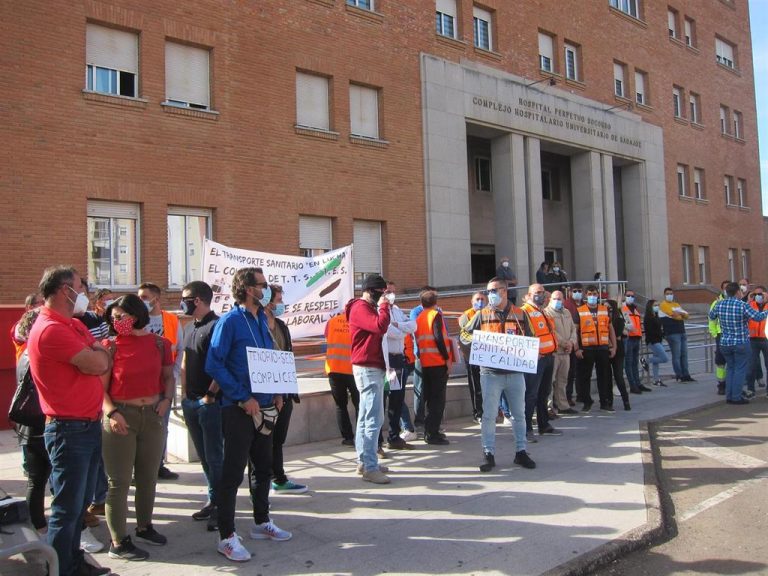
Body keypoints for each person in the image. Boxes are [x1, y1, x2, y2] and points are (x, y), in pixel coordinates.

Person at [27, 265, 112, 576]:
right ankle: (62, 569)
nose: (85, 293)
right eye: (82, 287)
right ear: (66, 290)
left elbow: (101, 356)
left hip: (87, 425)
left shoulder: (72, 325)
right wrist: (98, 354)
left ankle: (74, 562)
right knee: (67, 508)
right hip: (69, 429)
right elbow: (96, 362)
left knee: (80, 506)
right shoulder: (52, 328)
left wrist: (98, 354)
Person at [205, 267, 291, 563]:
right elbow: (215, 365)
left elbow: (270, 359)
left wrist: (278, 391)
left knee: (263, 467)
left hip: (266, 406)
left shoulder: (262, 322)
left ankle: (261, 521)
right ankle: (227, 536)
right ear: (247, 288)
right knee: (233, 473)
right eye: (261, 285)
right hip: (239, 409)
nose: (266, 289)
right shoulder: (229, 322)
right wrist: (243, 398)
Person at [99, 294, 174, 561]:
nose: (117, 321)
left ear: (137, 315)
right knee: (118, 482)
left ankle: (144, 527)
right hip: (120, 418)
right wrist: (113, 413)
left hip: (152, 416)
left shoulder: (159, 344)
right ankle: (118, 541)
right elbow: (100, 388)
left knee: (147, 477)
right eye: (114, 318)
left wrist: (166, 400)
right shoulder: (109, 346)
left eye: (122, 317)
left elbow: (168, 376)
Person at [461, 277, 535, 472]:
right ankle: (488, 453)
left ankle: (521, 451)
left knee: (519, 415)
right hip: (490, 374)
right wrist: (478, 342)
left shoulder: (520, 314)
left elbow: (531, 338)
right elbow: (464, 334)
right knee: (489, 415)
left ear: (504, 291)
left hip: (515, 373)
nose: (489, 295)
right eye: (488, 292)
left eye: (493, 290)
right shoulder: (482, 314)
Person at [179, 281, 222, 532]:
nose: (181, 302)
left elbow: (221, 363)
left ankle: (222, 505)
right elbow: (186, 361)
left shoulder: (216, 326)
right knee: (205, 458)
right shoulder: (189, 327)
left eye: (185, 298)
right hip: (191, 402)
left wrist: (210, 395)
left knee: (216, 457)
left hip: (210, 403)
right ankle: (212, 499)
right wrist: (185, 395)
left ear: (197, 300)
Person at [346, 274, 391, 484]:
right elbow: (379, 326)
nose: (385, 296)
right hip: (367, 367)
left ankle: (364, 461)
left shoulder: (366, 308)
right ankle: (370, 467)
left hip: (371, 367)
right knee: (373, 419)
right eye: (382, 292)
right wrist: (384, 307)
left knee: (367, 418)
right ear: (372, 291)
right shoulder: (361, 308)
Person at [263, 284, 307, 494]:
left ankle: (278, 477)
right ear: (268, 302)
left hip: (285, 389)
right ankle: (269, 479)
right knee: (264, 439)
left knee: (278, 438)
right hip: (264, 391)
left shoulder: (281, 325)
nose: (281, 304)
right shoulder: (256, 324)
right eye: (278, 301)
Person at [137, 282, 183, 480]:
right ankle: (138, 466)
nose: (141, 301)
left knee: (162, 425)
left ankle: (158, 464)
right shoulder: (137, 320)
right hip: (142, 383)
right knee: (140, 425)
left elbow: (179, 348)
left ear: (156, 299)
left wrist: (173, 374)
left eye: (144, 297)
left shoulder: (171, 320)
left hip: (165, 382)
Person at [12, 309, 51, 535]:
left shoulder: (25, 353)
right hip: (40, 425)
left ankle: (37, 524)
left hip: (29, 426)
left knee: (36, 479)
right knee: (47, 478)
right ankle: (41, 525)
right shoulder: (35, 355)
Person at [708, 282, 768, 404]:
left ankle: (729, 396)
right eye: (740, 291)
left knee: (730, 368)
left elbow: (711, 316)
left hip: (725, 342)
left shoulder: (719, 304)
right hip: (740, 341)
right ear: (737, 292)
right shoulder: (742, 305)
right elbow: (758, 317)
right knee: (740, 369)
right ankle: (736, 396)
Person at [414, 287, 453, 445]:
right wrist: (447, 358)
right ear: (435, 302)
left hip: (425, 362)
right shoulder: (435, 315)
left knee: (430, 398)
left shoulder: (420, 317)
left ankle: (430, 431)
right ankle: (432, 434)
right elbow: (439, 338)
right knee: (438, 400)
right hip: (437, 361)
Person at [521, 284, 560, 439]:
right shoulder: (525, 311)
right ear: (529, 295)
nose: (541, 295)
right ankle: (526, 428)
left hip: (548, 356)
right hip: (535, 359)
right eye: (537, 292)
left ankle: (544, 425)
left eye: (543, 292)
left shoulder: (542, 311)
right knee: (531, 394)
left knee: (544, 393)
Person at [383, 281, 417, 450]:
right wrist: (402, 329)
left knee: (397, 399)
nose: (391, 295)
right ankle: (377, 443)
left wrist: (400, 327)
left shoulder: (396, 310)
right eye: (388, 291)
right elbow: (393, 333)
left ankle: (394, 437)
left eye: (393, 291)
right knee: (382, 400)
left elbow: (413, 326)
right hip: (386, 361)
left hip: (398, 360)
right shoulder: (377, 311)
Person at [575, 285, 617, 411]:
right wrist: (577, 348)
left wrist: (614, 347)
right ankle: (587, 401)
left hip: (602, 348)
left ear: (597, 295)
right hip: (587, 348)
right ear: (586, 296)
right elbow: (575, 331)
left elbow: (611, 330)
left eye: (594, 294)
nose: (592, 296)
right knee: (585, 376)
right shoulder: (580, 310)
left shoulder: (604, 309)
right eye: (589, 294)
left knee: (604, 376)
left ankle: (605, 402)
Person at [324, 311, 359, 446]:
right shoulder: (357, 321)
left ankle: (348, 437)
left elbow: (327, 338)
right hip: (353, 369)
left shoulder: (332, 321)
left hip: (334, 369)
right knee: (359, 404)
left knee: (340, 405)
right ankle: (361, 435)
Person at [544, 290, 578, 415]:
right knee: (550, 381)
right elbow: (551, 331)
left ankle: (563, 405)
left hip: (566, 352)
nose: (557, 301)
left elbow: (573, 329)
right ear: (550, 299)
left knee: (562, 380)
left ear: (563, 299)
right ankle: (549, 407)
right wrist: (564, 343)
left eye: (560, 299)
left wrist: (571, 343)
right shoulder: (546, 313)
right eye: (555, 299)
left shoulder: (567, 312)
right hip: (554, 352)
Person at [459, 291, 487, 422]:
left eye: (482, 299)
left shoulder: (488, 312)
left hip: (487, 355)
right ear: (472, 301)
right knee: (476, 385)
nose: (480, 301)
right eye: (477, 299)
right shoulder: (466, 315)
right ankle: (478, 412)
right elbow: (466, 333)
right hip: (471, 355)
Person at [658, 287, 694, 382]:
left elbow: (686, 315)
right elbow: (675, 316)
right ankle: (679, 374)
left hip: (681, 331)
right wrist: (680, 314)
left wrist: (680, 314)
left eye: (671, 293)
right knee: (676, 355)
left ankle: (686, 374)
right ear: (664, 295)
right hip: (672, 333)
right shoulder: (663, 305)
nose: (670, 295)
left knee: (684, 354)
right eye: (667, 294)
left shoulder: (676, 304)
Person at [606, 299, 631, 411]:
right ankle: (609, 402)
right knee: (607, 377)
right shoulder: (603, 319)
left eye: (608, 308)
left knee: (618, 376)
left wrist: (611, 342)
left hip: (618, 350)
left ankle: (626, 400)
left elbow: (617, 336)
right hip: (605, 350)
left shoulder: (619, 320)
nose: (606, 310)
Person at [744, 286, 768, 399]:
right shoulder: (750, 305)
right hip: (752, 339)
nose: (758, 296)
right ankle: (750, 389)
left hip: (766, 339)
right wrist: (748, 300)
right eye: (756, 294)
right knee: (751, 366)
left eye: (761, 294)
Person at [563, 283, 584, 407]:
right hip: (571, 344)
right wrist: (575, 346)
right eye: (575, 291)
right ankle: (568, 396)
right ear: (570, 292)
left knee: (579, 371)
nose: (577, 293)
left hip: (584, 343)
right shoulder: (567, 305)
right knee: (569, 373)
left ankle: (581, 394)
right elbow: (572, 328)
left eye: (579, 291)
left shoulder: (584, 305)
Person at [709, 281, 729, 395]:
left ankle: (731, 384)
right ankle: (721, 385)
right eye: (725, 288)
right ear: (721, 289)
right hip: (721, 334)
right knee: (720, 362)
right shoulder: (716, 303)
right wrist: (715, 333)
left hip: (731, 334)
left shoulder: (736, 301)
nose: (726, 290)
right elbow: (711, 319)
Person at [622, 289, 643, 394]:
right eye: (628, 295)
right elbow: (624, 323)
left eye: (632, 296)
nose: (630, 297)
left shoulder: (635, 309)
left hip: (636, 337)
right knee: (629, 363)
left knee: (635, 363)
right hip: (629, 338)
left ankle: (638, 383)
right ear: (625, 296)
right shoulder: (623, 308)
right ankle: (632, 385)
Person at [644, 300, 669, 387]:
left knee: (656, 362)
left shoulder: (657, 316)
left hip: (658, 340)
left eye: (658, 305)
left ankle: (656, 380)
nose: (657, 306)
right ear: (650, 307)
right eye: (655, 305)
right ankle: (645, 361)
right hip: (653, 341)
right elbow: (650, 331)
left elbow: (659, 329)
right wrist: (659, 335)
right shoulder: (648, 317)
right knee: (665, 358)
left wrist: (663, 335)